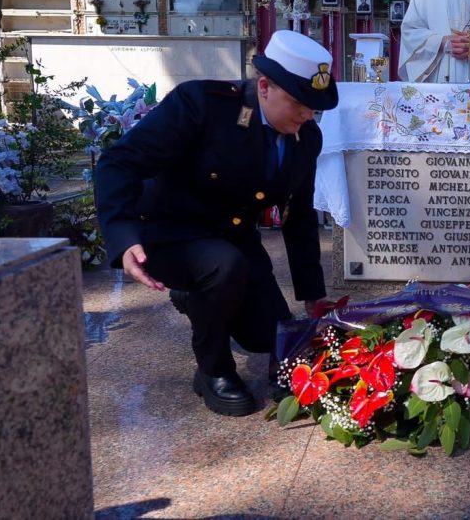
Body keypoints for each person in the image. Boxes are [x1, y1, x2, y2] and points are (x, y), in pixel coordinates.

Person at [94, 30, 337, 417]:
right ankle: (213, 369)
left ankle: (197, 299)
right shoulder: (202, 105)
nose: (308, 114)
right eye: (300, 103)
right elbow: (117, 162)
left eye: (315, 107)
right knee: (224, 266)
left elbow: (299, 215)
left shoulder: (305, 138)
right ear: (264, 87)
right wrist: (123, 237)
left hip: (232, 241)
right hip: (168, 234)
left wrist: (312, 293)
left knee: (267, 335)